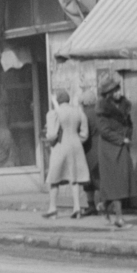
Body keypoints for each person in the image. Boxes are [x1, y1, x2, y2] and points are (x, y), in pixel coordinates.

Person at [95, 72, 135, 228]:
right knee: (116, 183)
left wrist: (128, 135)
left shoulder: (124, 106)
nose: (119, 93)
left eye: (119, 89)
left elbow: (129, 123)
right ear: (108, 94)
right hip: (108, 148)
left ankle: (104, 205)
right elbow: (104, 131)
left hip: (121, 146)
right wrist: (120, 139)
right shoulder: (102, 109)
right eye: (115, 91)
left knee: (121, 180)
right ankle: (119, 218)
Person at [43, 90, 89, 219]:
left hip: (60, 146)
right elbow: (85, 134)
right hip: (75, 146)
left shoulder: (54, 113)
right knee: (74, 177)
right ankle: (77, 208)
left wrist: (49, 139)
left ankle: (52, 208)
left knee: (54, 178)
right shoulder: (79, 112)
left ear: (57, 100)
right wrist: (76, 140)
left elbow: (52, 135)